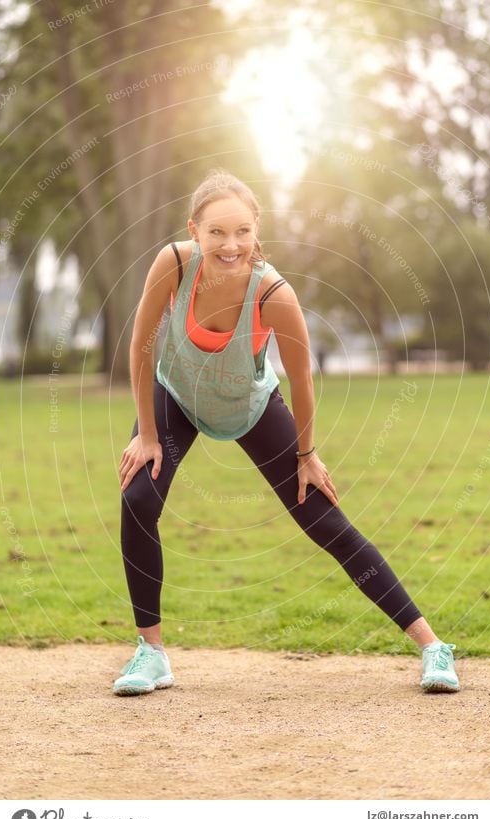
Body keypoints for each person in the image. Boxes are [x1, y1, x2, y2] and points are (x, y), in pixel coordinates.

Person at [114, 168, 460, 697]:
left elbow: (300, 378)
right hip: (177, 397)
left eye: (242, 232)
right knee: (139, 496)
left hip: (249, 408)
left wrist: (307, 453)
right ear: (195, 229)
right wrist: (147, 435)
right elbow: (141, 346)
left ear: (257, 230)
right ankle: (152, 653)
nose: (230, 245)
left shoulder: (273, 291)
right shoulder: (174, 265)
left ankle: (432, 645)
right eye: (216, 232)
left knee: (323, 519)